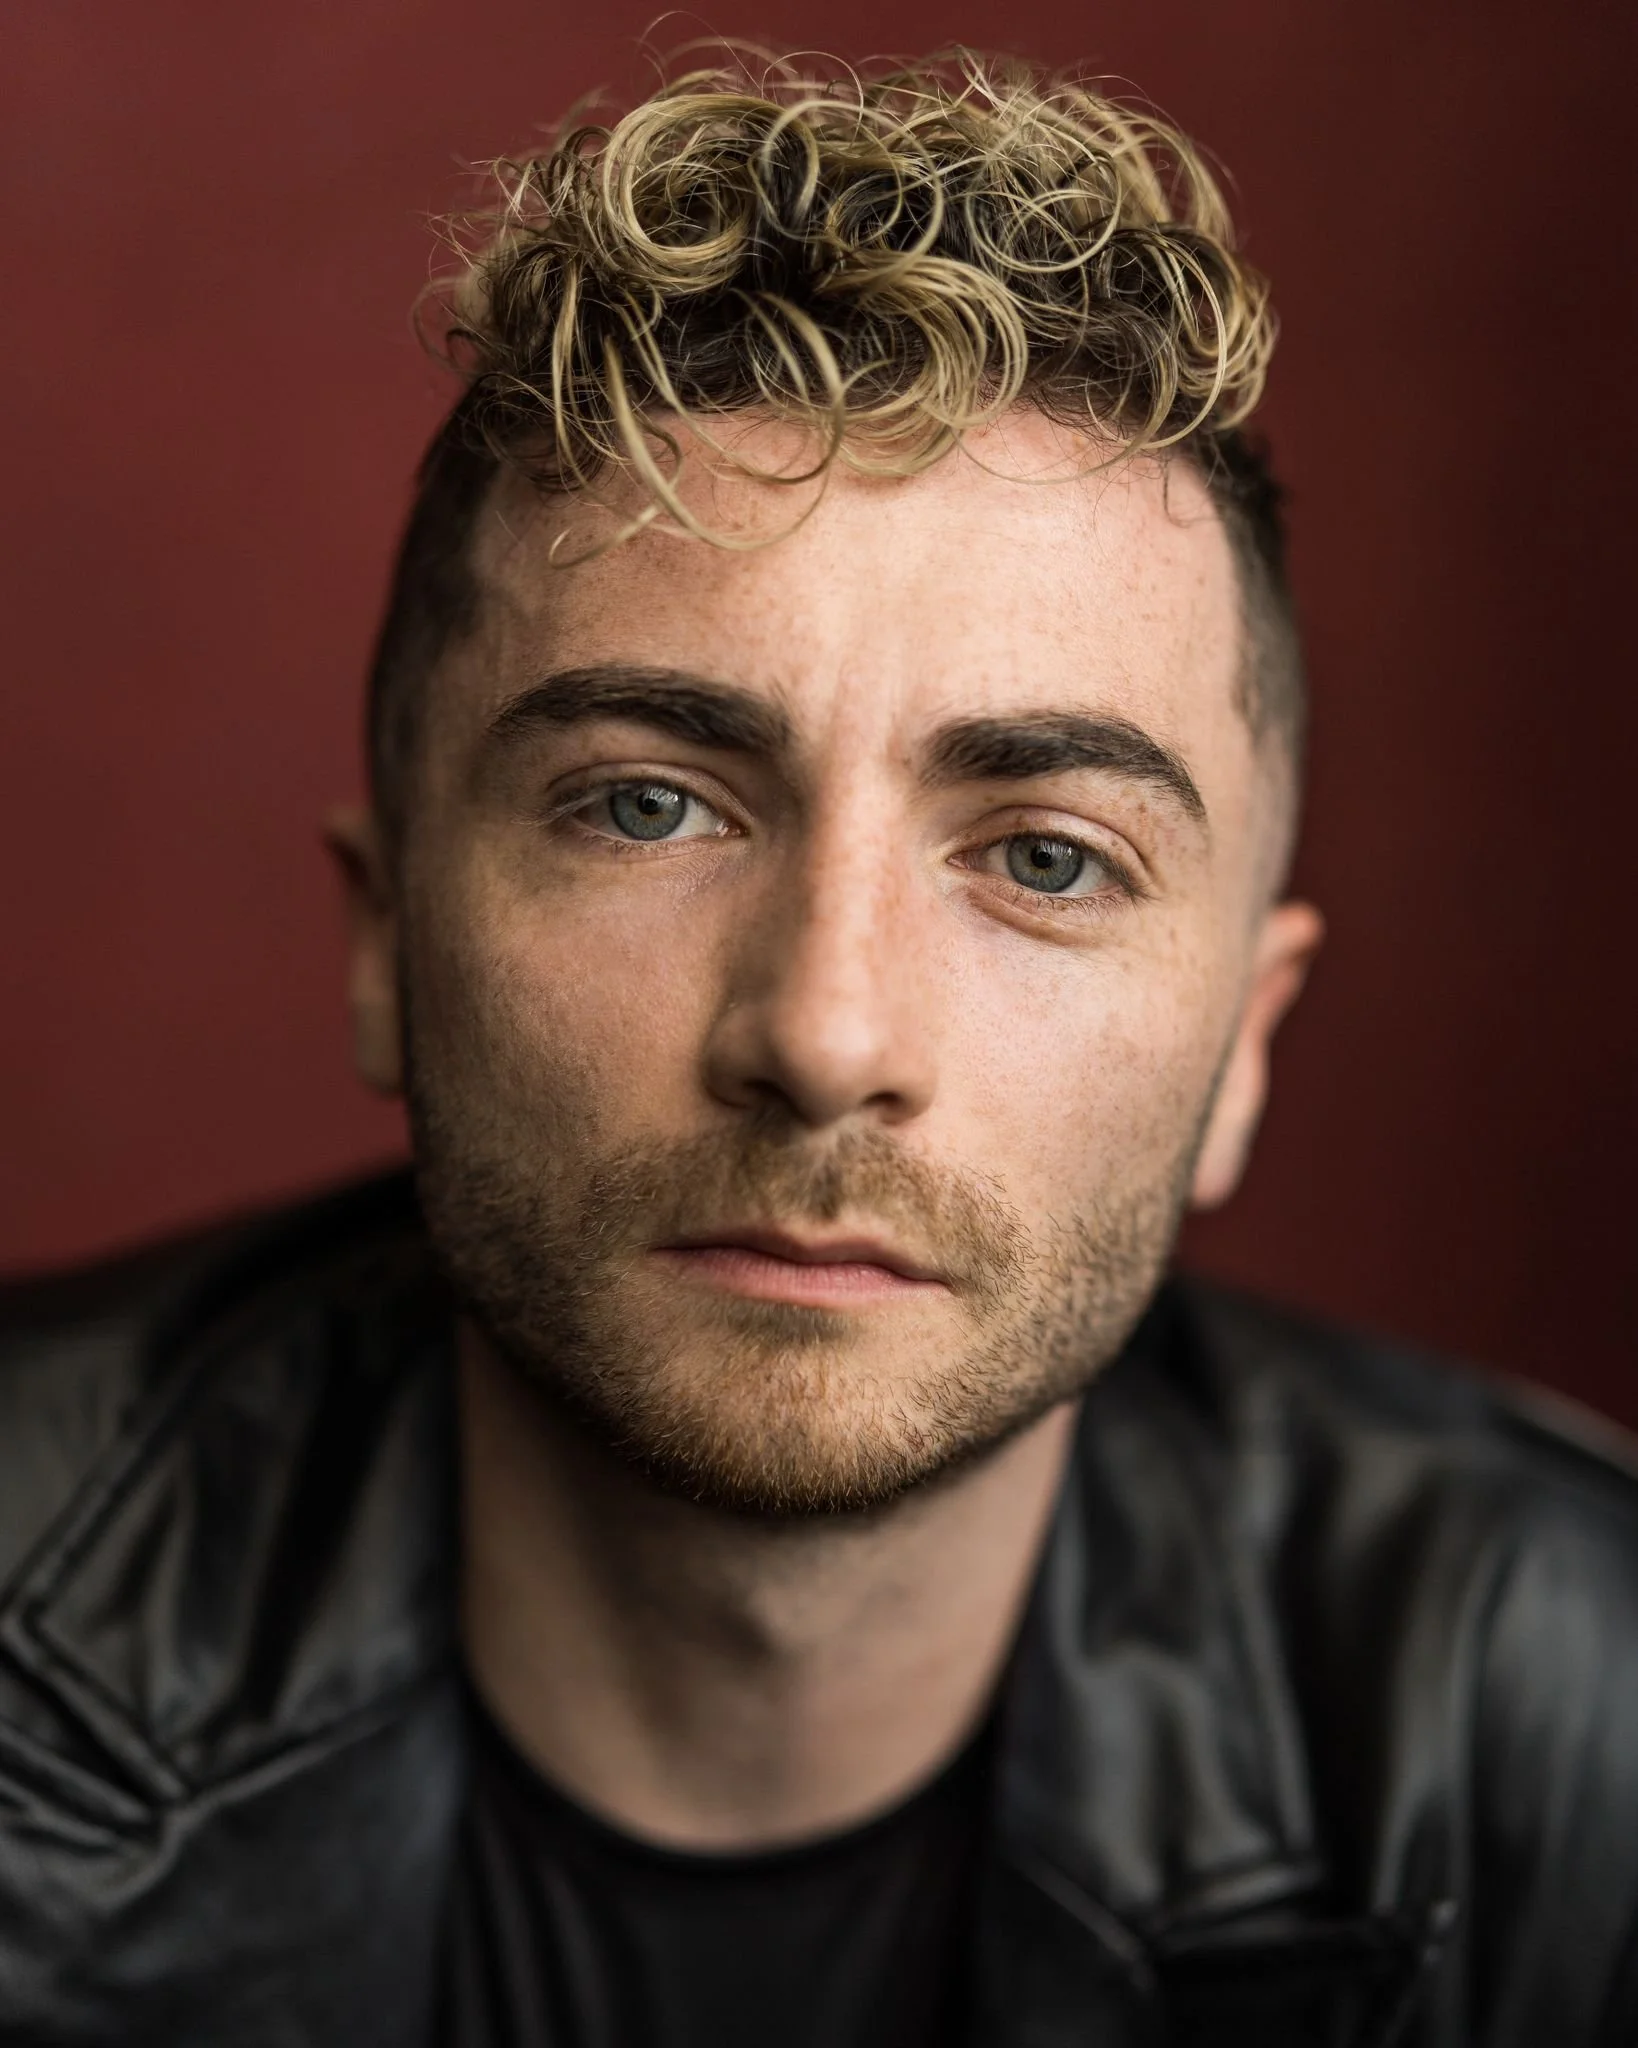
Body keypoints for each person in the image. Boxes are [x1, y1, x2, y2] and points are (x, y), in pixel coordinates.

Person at [1, 51, 1635, 2048]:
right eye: (646, 805)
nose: (827, 1032)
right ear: (382, 941)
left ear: (1247, 1044)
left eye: (1046, 855)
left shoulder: (1579, 1725)